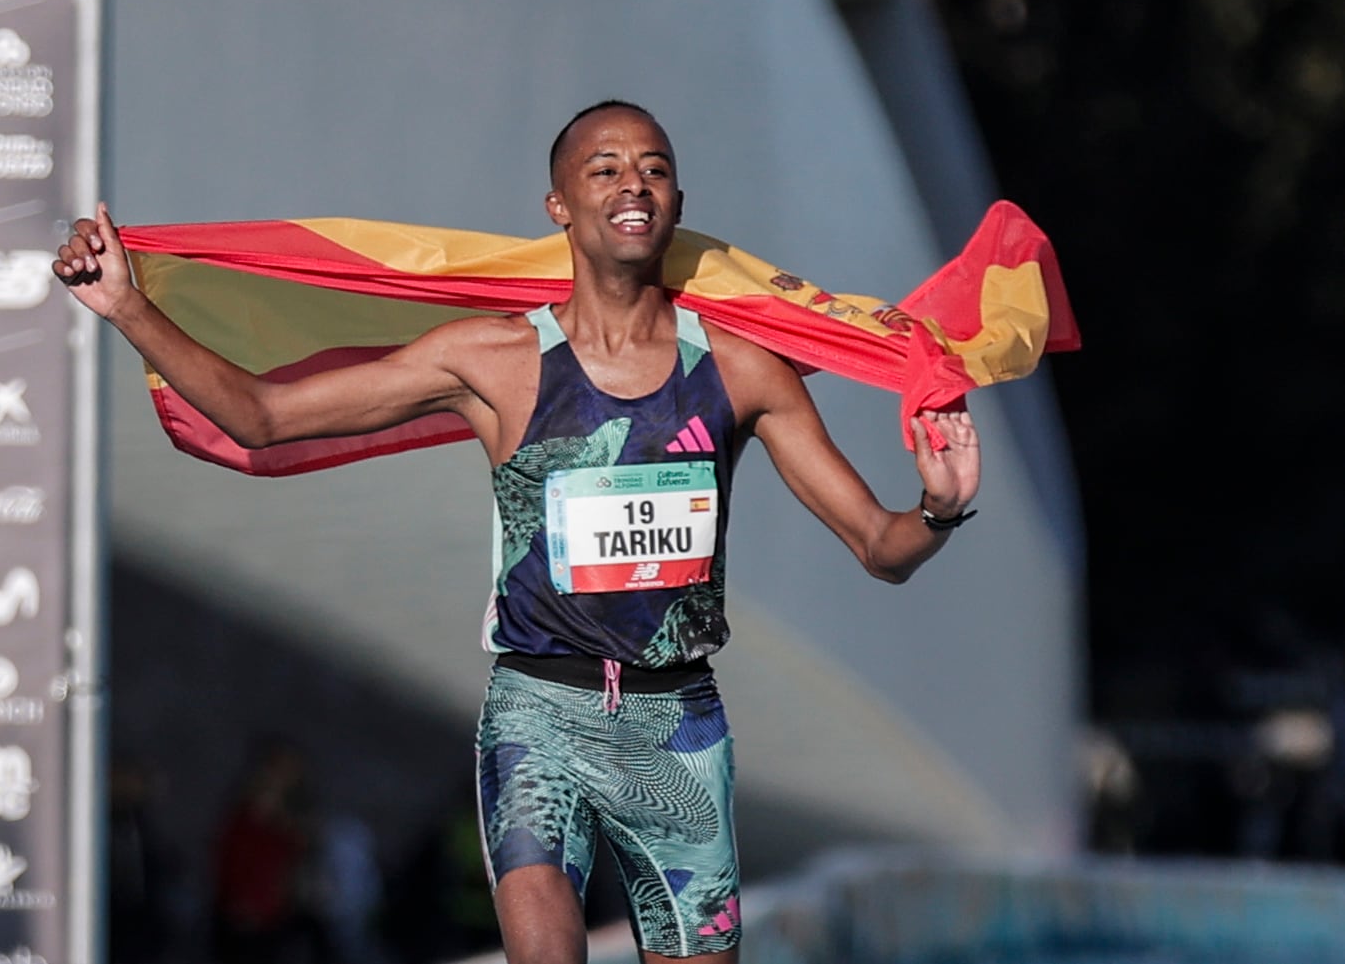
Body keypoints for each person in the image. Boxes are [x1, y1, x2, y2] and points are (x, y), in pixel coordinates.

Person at [55, 100, 981, 963]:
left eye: (654, 170)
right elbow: (262, 415)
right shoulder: (492, 360)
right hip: (539, 713)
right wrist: (130, 308)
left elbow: (878, 545)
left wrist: (936, 507)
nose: (634, 185)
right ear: (560, 205)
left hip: (679, 729)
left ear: (677, 202)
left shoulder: (742, 371)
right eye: (606, 169)